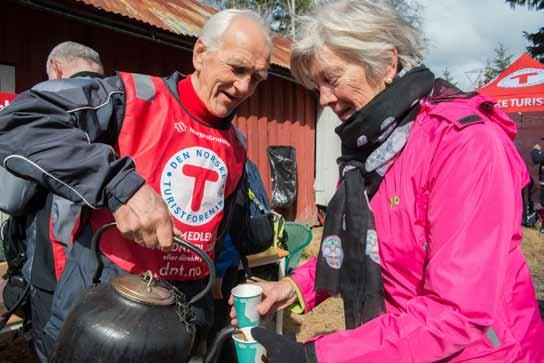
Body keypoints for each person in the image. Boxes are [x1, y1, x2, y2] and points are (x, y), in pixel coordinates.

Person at [230, 1, 544, 362]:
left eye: (331, 79)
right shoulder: (366, 153)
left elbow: (457, 313)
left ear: (386, 63)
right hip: (401, 345)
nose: (325, 98)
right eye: (317, 86)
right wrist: (291, 287)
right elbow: (349, 244)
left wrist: (316, 356)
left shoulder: (463, 144)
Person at [0, 9, 271, 361]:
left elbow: (220, 237)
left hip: (181, 329)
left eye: (258, 78)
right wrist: (120, 184)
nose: (245, 88)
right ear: (200, 54)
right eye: (237, 68)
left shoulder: (236, 143)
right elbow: (19, 123)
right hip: (105, 321)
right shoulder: (132, 97)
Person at [0, 41, 105, 362]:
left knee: (56, 349)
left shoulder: (45, 101)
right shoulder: (123, 100)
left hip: (55, 264)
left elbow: (11, 198)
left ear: (57, 68)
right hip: (114, 265)